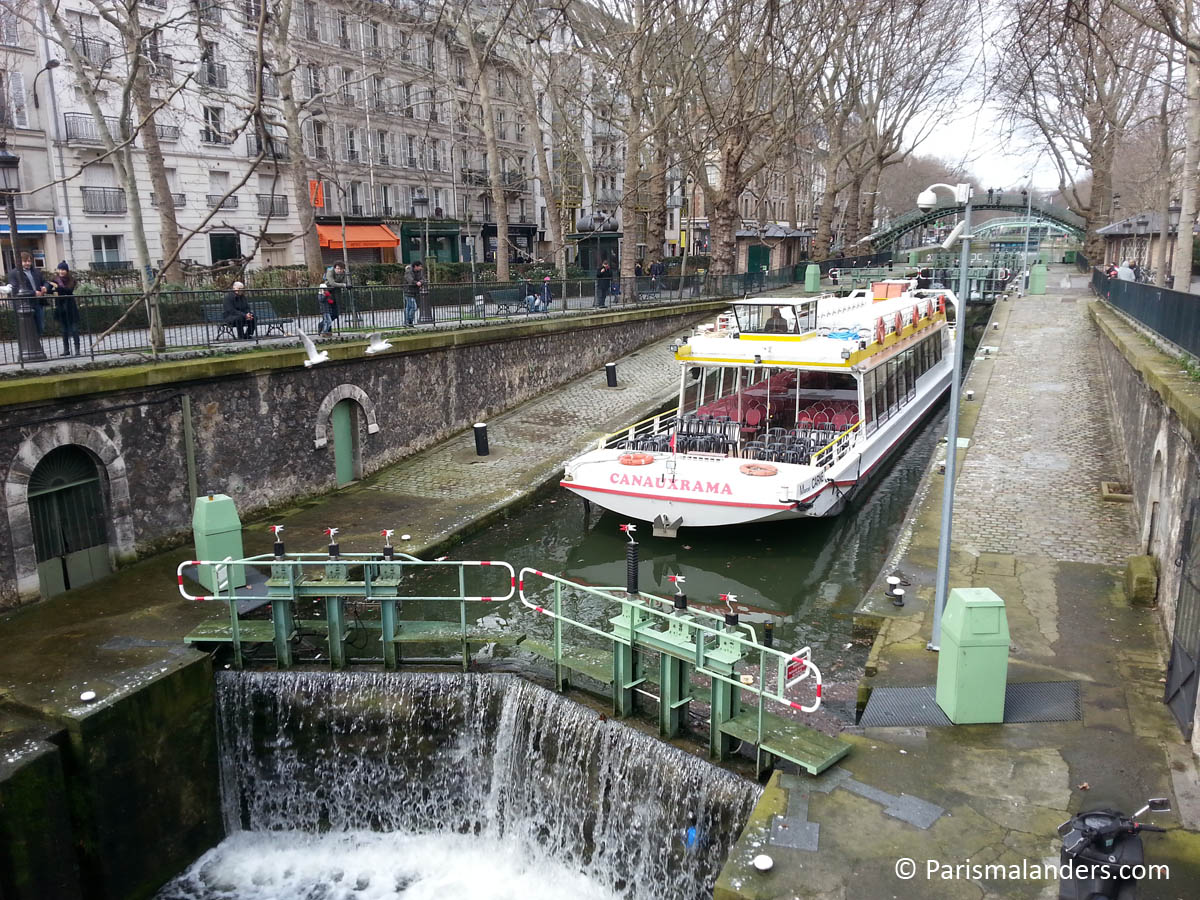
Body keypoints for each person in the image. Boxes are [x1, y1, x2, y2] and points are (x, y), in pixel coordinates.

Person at [7, 252, 49, 336]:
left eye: (29, 261)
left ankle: (37, 344)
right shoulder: (13, 273)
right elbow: (16, 289)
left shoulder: (36, 271)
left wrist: (45, 287)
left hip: (38, 303)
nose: (28, 263)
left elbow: (45, 281)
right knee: (28, 328)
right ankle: (32, 346)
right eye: (25, 261)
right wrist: (34, 293)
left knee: (40, 326)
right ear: (19, 262)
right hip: (24, 304)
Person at [50, 261, 80, 357]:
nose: (61, 271)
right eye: (60, 269)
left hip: (70, 307)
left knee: (74, 329)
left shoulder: (72, 280)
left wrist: (57, 287)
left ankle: (77, 349)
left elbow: (69, 290)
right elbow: (51, 290)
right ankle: (66, 349)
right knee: (64, 330)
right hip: (60, 306)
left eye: (63, 270)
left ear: (66, 271)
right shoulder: (55, 280)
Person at [403, 260, 424, 326]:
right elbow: (410, 280)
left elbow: (422, 279)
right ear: (415, 266)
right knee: (413, 307)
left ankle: (408, 322)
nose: (421, 268)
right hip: (408, 291)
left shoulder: (419, 272)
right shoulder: (409, 271)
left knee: (409, 307)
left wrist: (421, 282)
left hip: (414, 291)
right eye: (420, 266)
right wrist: (416, 282)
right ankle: (409, 321)